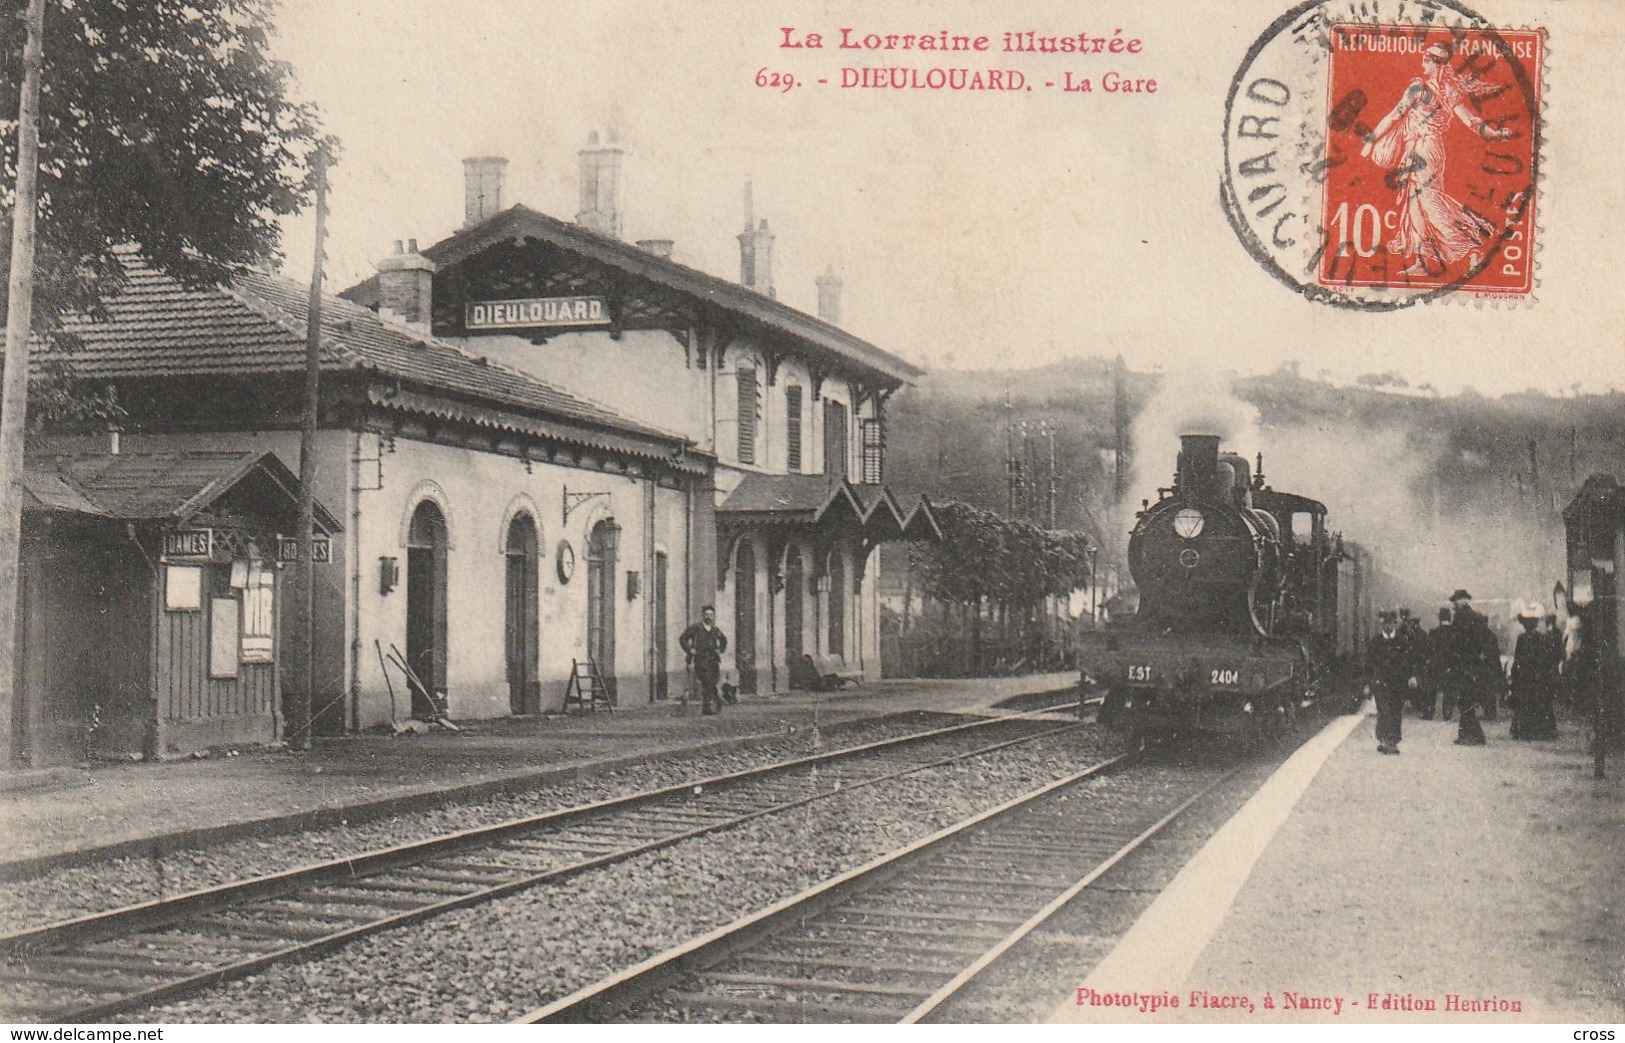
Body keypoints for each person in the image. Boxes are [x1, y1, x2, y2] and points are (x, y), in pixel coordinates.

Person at [1360, 41, 1516, 277]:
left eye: (1426, 59)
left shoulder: (1418, 89)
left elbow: (1394, 116)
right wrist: (1493, 133)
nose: (1422, 63)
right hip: (1427, 149)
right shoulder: (1449, 91)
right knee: (1415, 207)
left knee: (1429, 204)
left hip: (1423, 149)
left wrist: (1371, 141)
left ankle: (1471, 249)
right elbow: (1471, 121)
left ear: (1434, 63)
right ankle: (1423, 261)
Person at [1444, 589, 1499, 746]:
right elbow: (1488, 640)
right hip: (1474, 665)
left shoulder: (1460, 618)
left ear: (1462, 601)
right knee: (1467, 700)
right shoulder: (1478, 618)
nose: (1453, 604)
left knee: (1465, 700)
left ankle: (1473, 735)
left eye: (1455, 601)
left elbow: (1454, 642)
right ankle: (1467, 734)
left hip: (1463, 664)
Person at [1367, 610, 1417, 755]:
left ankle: (1393, 742)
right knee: (1383, 711)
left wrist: (1411, 676)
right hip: (1380, 683)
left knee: (1395, 712)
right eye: (1385, 624)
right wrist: (1368, 684)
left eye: (1391, 623)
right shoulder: (1375, 642)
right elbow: (1369, 664)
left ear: (1395, 624)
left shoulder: (1403, 641)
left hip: (1398, 684)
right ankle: (1383, 740)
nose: (1388, 627)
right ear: (1382, 625)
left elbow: (1409, 662)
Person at [1509, 603, 1560, 740]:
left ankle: (1526, 730)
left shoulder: (1522, 638)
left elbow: (1518, 658)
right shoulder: (1541, 638)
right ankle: (1542, 730)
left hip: (1525, 676)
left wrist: (1515, 674)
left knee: (1526, 702)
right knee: (1539, 701)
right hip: (1537, 677)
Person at [679, 605, 728, 715]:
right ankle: (708, 707)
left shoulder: (715, 630)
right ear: (703, 615)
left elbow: (724, 640)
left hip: (713, 660)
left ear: (714, 616)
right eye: (707, 615)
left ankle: (715, 701)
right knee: (707, 681)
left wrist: (720, 649)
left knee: (713, 681)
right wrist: (690, 650)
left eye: (711, 615)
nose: (709, 617)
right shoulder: (696, 628)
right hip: (700, 659)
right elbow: (683, 638)